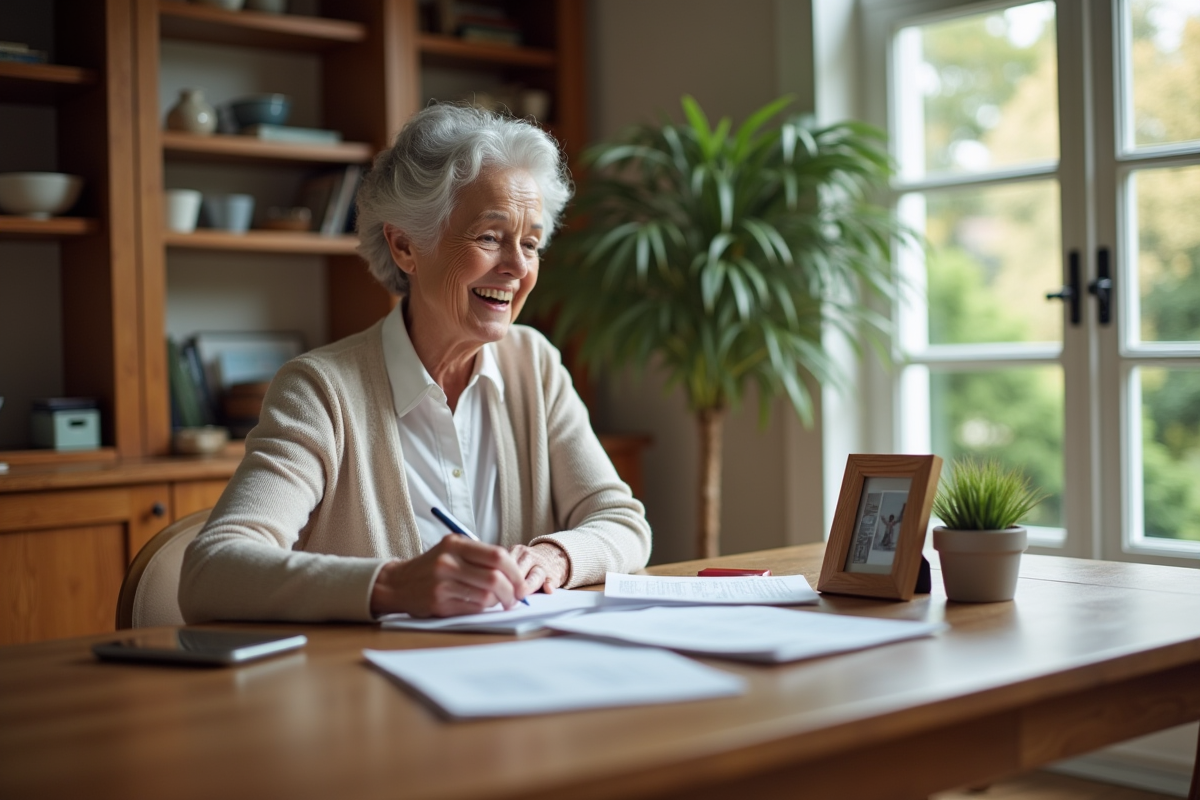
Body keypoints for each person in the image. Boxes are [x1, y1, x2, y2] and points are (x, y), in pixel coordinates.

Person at [178, 104, 652, 622]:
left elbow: (623, 523)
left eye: (531, 243)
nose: (518, 267)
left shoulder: (533, 364)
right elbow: (212, 570)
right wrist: (394, 585)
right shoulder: (319, 391)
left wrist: (553, 558)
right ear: (405, 245)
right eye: (491, 237)